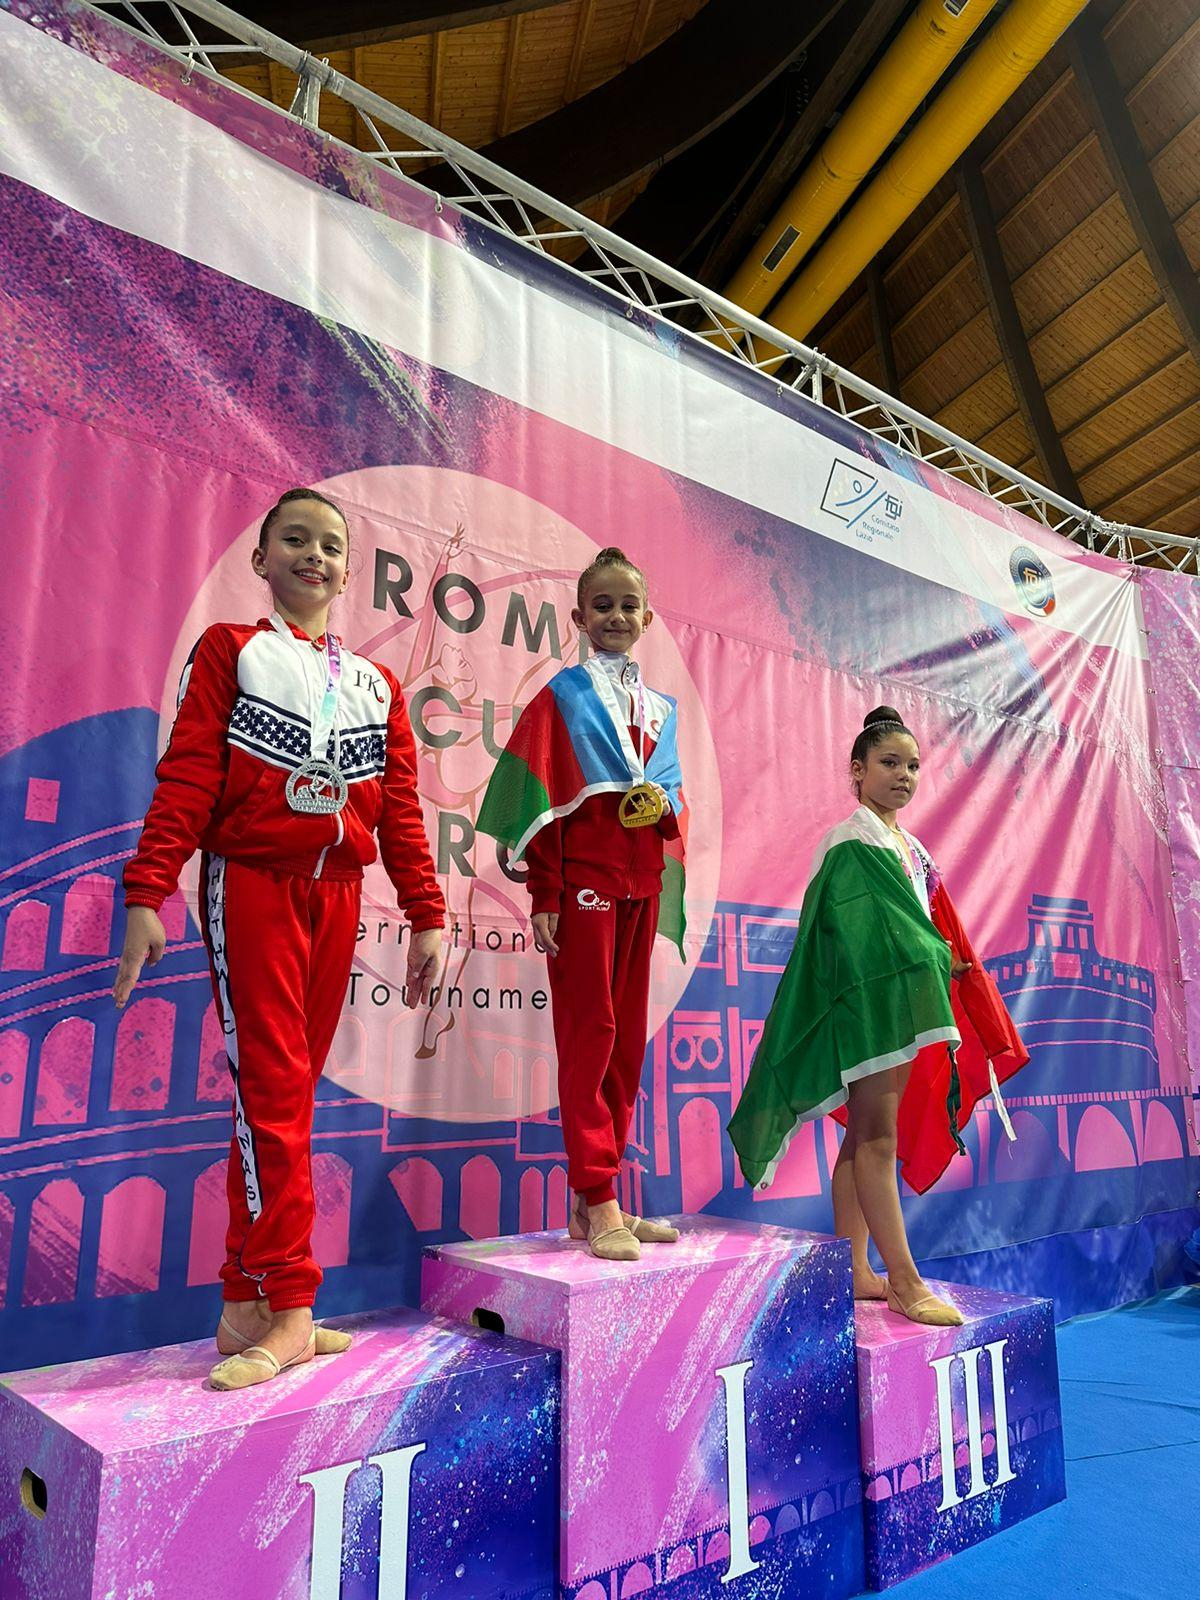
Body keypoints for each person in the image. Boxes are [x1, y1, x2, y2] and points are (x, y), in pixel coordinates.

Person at [114, 488, 445, 1387]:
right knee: (270, 1095)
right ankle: (293, 1304)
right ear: (261, 560)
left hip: (338, 894)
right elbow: (189, 774)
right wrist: (149, 889)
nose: (314, 555)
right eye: (295, 540)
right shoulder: (231, 649)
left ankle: (245, 1301)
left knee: (282, 1099)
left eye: (330, 545)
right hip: (252, 884)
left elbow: (401, 813)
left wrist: (426, 912)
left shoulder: (377, 685)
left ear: (348, 570)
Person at [728, 705, 1027, 1326]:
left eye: (913, 766)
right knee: (877, 1139)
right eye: (889, 763)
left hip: (895, 1010)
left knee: (862, 1138)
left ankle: (859, 1270)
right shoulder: (850, 841)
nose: (904, 776)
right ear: (857, 772)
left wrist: (947, 962)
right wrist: (930, 955)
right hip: (866, 1013)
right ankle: (905, 1282)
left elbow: (927, 928)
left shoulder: (911, 848)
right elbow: (861, 936)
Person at [477, 547, 688, 1261]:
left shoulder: (662, 711)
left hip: (643, 884)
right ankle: (599, 1197)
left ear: (648, 618)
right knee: (589, 1035)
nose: (616, 616)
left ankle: (597, 1197)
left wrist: (662, 803)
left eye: (629, 605)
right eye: (603, 605)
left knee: (626, 1041)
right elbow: (540, 798)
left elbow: (672, 804)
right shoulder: (564, 696)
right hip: (583, 887)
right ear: (578, 617)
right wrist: (546, 890)